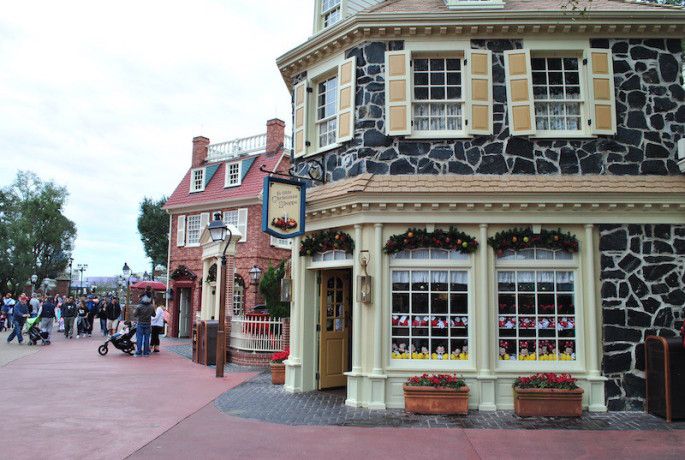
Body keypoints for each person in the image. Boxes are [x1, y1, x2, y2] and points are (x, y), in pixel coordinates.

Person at [132, 290, 155, 357]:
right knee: (147, 338)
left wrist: (135, 311)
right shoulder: (151, 306)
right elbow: (154, 315)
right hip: (148, 324)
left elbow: (135, 315)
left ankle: (139, 352)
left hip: (140, 323)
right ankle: (146, 352)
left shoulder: (139, 306)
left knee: (139, 338)